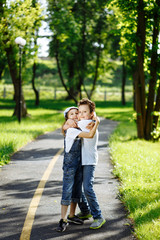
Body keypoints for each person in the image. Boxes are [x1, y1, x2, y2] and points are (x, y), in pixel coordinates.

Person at [63, 98, 106, 229]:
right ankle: (86, 211)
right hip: (80, 161)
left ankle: (98, 216)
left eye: (84, 112)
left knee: (87, 188)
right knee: (78, 188)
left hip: (89, 161)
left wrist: (96, 121)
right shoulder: (83, 122)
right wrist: (69, 121)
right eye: (79, 112)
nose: (81, 115)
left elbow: (69, 128)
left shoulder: (87, 124)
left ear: (91, 113)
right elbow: (66, 126)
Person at [56, 106, 100, 232]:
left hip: (79, 164)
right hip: (70, 166)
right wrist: (96, 123)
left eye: (77, 113)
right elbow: (89, 134)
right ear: (67, 119)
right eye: (72, 114)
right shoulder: (71, 130)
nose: (76, 115)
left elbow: (89, 117)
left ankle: (71, 215)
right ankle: (63, 219)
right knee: (67, 190)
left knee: (76, 191)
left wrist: (92, 117)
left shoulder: (78, 127)